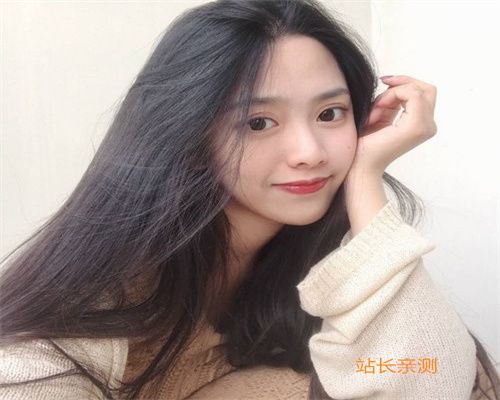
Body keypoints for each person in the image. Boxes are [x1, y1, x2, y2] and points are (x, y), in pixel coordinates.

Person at [0, 0, 498, 399]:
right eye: (259, 122)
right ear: (191, 137)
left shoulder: (328, 259)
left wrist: (366, 177)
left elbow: (432, 378)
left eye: (330, 113)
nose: (309, 152)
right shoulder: (103, 299)